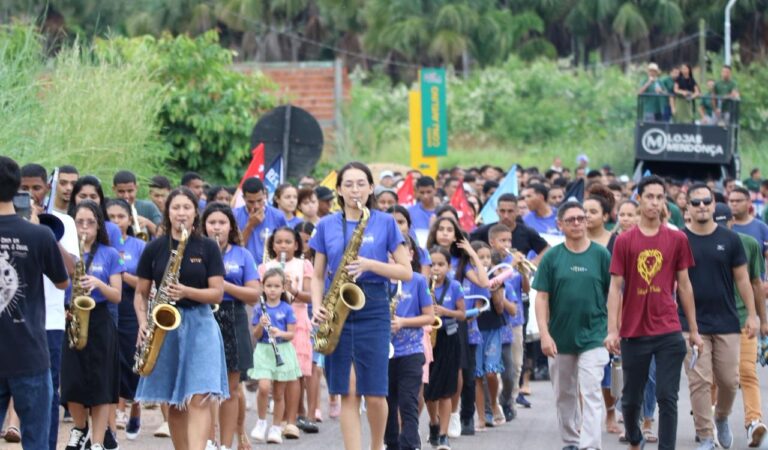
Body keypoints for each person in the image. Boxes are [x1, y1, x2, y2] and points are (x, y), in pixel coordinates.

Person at [309, 161, 412, 450]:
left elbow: (406, 271)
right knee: (348, 391)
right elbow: (317, 275)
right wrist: (317, 306)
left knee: (376, 393)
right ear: (339, 190)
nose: (355, 190)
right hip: (336, 308)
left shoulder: (386, 222)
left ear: (371, 188)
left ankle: (377, 445)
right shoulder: (326, 224)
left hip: (374, 306)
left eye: (360, 184)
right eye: (349, 184)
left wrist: (370, 265)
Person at [605, 175, 703, 450]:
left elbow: (685, 285)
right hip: (634, 331)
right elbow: (615, 287)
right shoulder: (624, 241)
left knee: (667, 396)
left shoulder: (677, 238)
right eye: (649, 196)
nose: (655, 202)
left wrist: (694, 330)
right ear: (639, 199)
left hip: (668, 329)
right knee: (631, 399)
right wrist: (612, 330)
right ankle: (635, 437)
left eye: (660, 197)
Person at [134, 187, 228, 450]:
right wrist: (143, 323)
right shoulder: (154, 248)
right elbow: (140, 293)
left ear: (195, 212)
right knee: (174, 402)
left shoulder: (208, 247)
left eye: (187, 207)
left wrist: (187, 291)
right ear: (168, 212)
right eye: (176, 207)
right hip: (165, 326)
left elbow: (217, 293)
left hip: (201, 323)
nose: (181, 213)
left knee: (199, 397)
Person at [0, 156, 70, 450]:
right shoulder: (39, 234)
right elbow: (63, 282)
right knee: (37, 442)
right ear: (18, 187)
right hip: (29, 351)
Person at [683, 184, 757, 450]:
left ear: (714, 204)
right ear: (687, 207)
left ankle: (722, 417)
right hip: (691, 323)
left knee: (729, 380)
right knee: (699, 381)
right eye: (696, 202)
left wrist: (753, 315)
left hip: (726, 320)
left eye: (706, 201)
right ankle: (705, 436)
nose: (702, 206)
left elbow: (743, 279)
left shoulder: (730, 239)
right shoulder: (680, 239)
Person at [534, 201, 611, 450]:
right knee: (564, 394)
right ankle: (570, 441)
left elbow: (614, 295)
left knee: (591, 392)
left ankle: (590, 445)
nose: (577, 223)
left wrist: (614, 331)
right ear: (560, 225)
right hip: (560, 337)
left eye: (581, 218)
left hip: (595, 336)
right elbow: (541, 298)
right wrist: (544, 334)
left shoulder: (601, 255)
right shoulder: (552, 257)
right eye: (571, 220)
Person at [19, 163, 79, 450]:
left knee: (48, 392)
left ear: (46, 188)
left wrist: (43, 232)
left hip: (50, 320)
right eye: (24, 188)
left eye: (36, 188)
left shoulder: (63, 222)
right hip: (13, 320)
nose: (31, 193)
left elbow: (70, 270)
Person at [61, 200, 124, 450]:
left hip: (100, 320)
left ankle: (97, 441)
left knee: (101, 383)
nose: (85, 227)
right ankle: (80, 428)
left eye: (90, 222)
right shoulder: (67, 254)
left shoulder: (109, 254)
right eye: (80, 222)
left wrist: (98, 283)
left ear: (99, 225)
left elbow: (117, 296)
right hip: (72, 318)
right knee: (72, 381)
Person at [202, 202, 260, 450]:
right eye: (212, 222)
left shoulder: (242, 254)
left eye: (222, 222)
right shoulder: (196, 252)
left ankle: (226, 443)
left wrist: (223, 285)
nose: (217, 227)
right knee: (204, 387)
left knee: (231, 388)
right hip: (203, 315)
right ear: (203, 226)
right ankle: (208, 440)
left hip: (233, 316)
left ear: (231, 227)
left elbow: (254, 295)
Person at [713, 202, 768, 446]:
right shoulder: (698, 243)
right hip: (712, 320)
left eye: (724, 223)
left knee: (747, 371)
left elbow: (756, 284)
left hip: (743, 318)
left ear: (732, 222)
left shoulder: (748, 244)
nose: (721, 228)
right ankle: (712, 421)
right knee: (715, 377)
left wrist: (761, 319)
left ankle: (754, 422)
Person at [258, 226, 314, 439]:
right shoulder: (265, 267)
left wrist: (291, 289)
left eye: (288, 242)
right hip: (273, 322)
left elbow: (310, 296)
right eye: (279, 242)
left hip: (296, 321)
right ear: (272, 245)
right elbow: (259, 296)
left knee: (293, 373)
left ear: (296, 245)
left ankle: (291, 421)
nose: (283, 246)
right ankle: (277, 420)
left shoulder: (303, 265)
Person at [104, 199, 147, 440]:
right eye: (111, 217)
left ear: (130, 219)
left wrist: (120, 274)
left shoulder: (139, 245)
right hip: (109, 307)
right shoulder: (102, 244)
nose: (116, 221)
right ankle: (117, 410)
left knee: (133, 359)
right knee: (114, 360)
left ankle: (136, 406)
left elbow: (145, 282)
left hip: (133, 307)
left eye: (121, 216)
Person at [385, 242, 434, 450]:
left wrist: (403, 322)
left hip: (411, 351)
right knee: (387, 402)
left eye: (400, 253)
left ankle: (411, 444)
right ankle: (391, 443)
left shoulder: (418, 280)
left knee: (408, 401)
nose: (394, 257)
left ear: (411, 255)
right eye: (390, 254)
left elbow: (429, 316)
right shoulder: (377, 279)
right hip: (383, 351)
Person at [248, 268, 302, 444]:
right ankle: (261, 422)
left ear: (283, 288)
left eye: (276, 286)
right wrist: (261, 325)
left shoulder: (287, 308)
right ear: (263, 287)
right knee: (264, 387)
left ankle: (276, 427)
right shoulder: (259, 308)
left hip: (282, 350)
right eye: (269, 286)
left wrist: (279, 332)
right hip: (264, 350)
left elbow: (291, 334)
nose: (272, 290)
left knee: (279, 393)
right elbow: (256, 335)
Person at [424, 246, 466, 450]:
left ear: (449, 267)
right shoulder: (423, 285)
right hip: (428, 340)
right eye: (432, 264)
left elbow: (462, 314)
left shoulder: (455, 286)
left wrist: (444, 311)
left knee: (446, 391)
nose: (436, 268)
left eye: (441, 264)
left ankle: (443, 435)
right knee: (429, 391)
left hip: (449, 339)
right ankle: (433, 422)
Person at [487, 225, 527, 422]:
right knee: (495, 367)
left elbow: (526, 289)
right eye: (502, 240)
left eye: (509, 240)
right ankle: (495, 403)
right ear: (492, 242)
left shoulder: (516, 262)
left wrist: (523, 271)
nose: (507, 244)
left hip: (514, 321)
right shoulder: (489, 263)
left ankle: (509, 400)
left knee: (515, 366)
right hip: (494, 323)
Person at [469, 193, 549, 264]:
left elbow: (547, 248)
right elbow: (467, 247)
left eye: (510, 211)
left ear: (517, 211)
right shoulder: (482, 232)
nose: (506, 216)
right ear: (497, 211)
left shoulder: (528, 232)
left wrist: (535, 261)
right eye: (502, 211)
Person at [234, 177, 287, 266]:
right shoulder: (234, 215)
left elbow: (285, 245)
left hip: (271, 268)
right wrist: (250, 225)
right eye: (251, 202)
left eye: (259, 200)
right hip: (244, 266)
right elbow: (235, 248)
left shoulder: (278, 216)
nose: (256, 206)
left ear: (264, 195)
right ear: (244, 198)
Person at [112, 170, 162, 237]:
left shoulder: (149, 207)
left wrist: (148, 223)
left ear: (136, 188)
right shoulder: (108, 208)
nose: (126, 196)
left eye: (130, 191)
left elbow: (163, 235)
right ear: (114, 189)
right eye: (121, 191)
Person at [729, 187, 768, 257]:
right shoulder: (723, 226)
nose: (734, 204)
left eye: (738, 201)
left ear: (749, 202)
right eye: (731, 201)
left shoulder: (762, 227)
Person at [408, 176, 438, 247]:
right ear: (417, 192)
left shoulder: (443, 211)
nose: (425, 196)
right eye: (422, 192)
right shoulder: (410, 212)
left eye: (429, 192)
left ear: (435, 190)